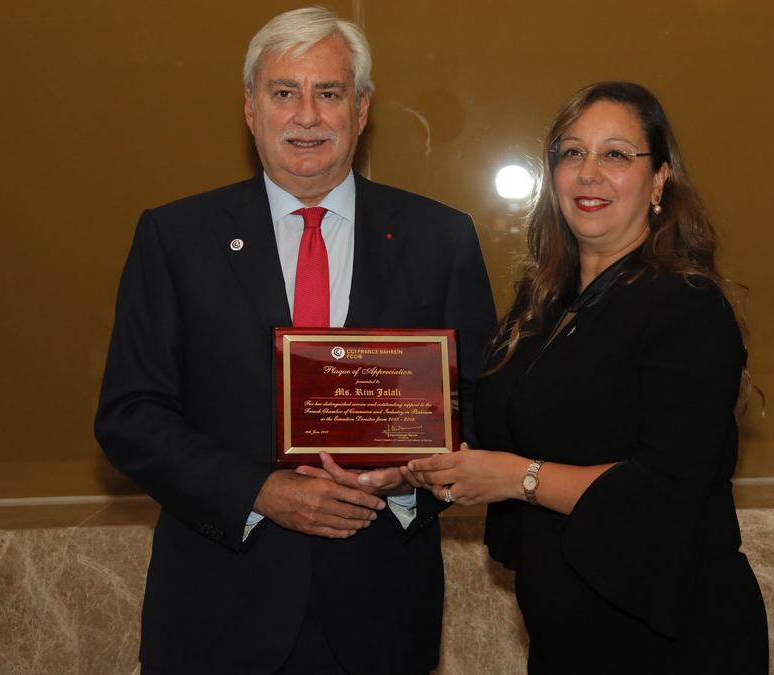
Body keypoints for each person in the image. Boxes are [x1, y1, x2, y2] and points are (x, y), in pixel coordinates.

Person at [94, 6, 496, 674]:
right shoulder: (176, 239)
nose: (307, 116)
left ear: (361, 110)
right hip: (218, 614)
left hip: (380, 616)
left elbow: (479, 408)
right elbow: (129, 414)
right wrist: (258, 491)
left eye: (328, 92)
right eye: (284, 92)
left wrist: (407, 479)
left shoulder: (440, 239)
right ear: (250, 109)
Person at [407, 82, 768, 673]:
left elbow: (665, 485)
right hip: (566, 632)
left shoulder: (686, 305)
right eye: (572, 153)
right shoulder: (539, 309)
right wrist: (404, 455)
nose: (589, 173)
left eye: (616, 154)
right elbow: (491, 430)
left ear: (659, 181)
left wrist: (516, 478)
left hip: (669, 635)